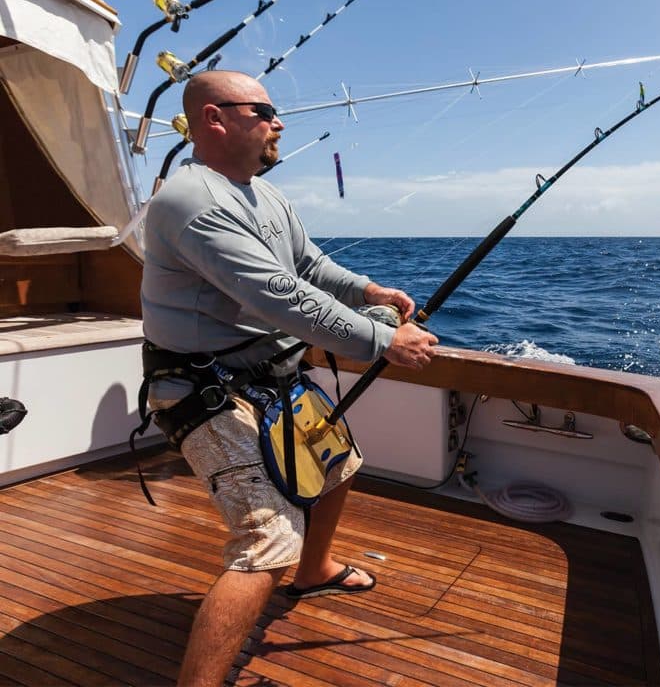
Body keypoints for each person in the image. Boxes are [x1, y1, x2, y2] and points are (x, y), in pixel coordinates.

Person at [140, 69, 438, 687]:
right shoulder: (192, 202)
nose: (279, 123)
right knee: (268, 540)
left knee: (337, 467)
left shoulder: (263, 195)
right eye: (265, 110)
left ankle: (317, 568)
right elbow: (281, 298)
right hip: (204, 388)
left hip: (270, 375)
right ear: (215, 119)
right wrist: (384, 338)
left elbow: (306, 265)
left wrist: (370, 291)